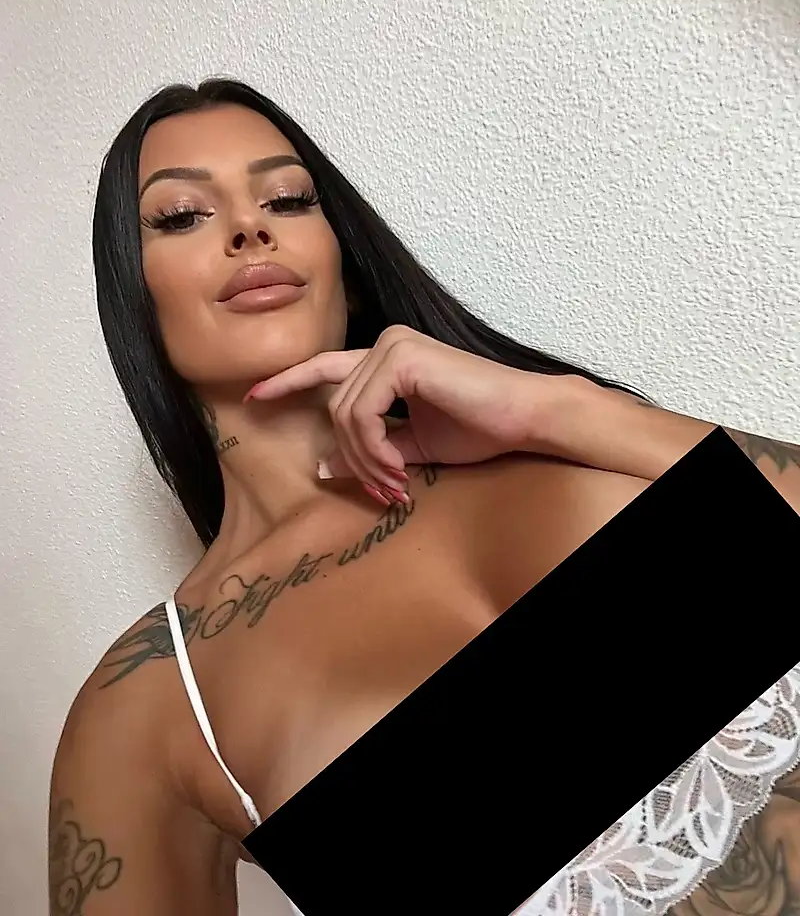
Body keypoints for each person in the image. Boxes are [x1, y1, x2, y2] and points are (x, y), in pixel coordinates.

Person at [48, 78, 800, 916]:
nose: (251, 228)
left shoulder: (565, 442)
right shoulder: (156, 698)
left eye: (288, 199)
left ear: (344, 264)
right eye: (183, 214)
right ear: (133, 298)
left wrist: (559, 409)